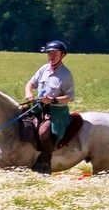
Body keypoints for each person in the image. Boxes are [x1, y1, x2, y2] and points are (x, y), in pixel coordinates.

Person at [24, 40, 75, 174]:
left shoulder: (66, 75)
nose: (51, 57)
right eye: (49, 54)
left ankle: (45, 163)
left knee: (43, 132)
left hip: (56, 111)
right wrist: (29, 94)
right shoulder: (43, 69)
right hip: (38, 107)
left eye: (55, 54)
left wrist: (52, 99)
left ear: (62, 55)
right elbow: (30, 83)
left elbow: (69, 97)